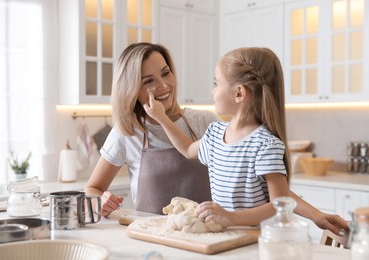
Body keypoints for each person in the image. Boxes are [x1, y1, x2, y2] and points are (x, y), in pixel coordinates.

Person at [143, 47, 349, 235]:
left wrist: (230, 218)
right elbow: (188, 149)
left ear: (239, 93)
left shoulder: (265, 145)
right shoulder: (214, 134)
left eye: (216, 83)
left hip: (254, 241)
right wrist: (161, 118)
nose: (212, 91)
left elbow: (280, 201)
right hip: (223, 236)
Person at [84, 42, 220, 215]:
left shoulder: (205, 122)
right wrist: (99, 201)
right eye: (149, 81)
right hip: (151, 238)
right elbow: (92, 189)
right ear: (131, 90)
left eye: (165, 73)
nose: (163, 85)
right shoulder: (127, 132)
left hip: (204, 237)